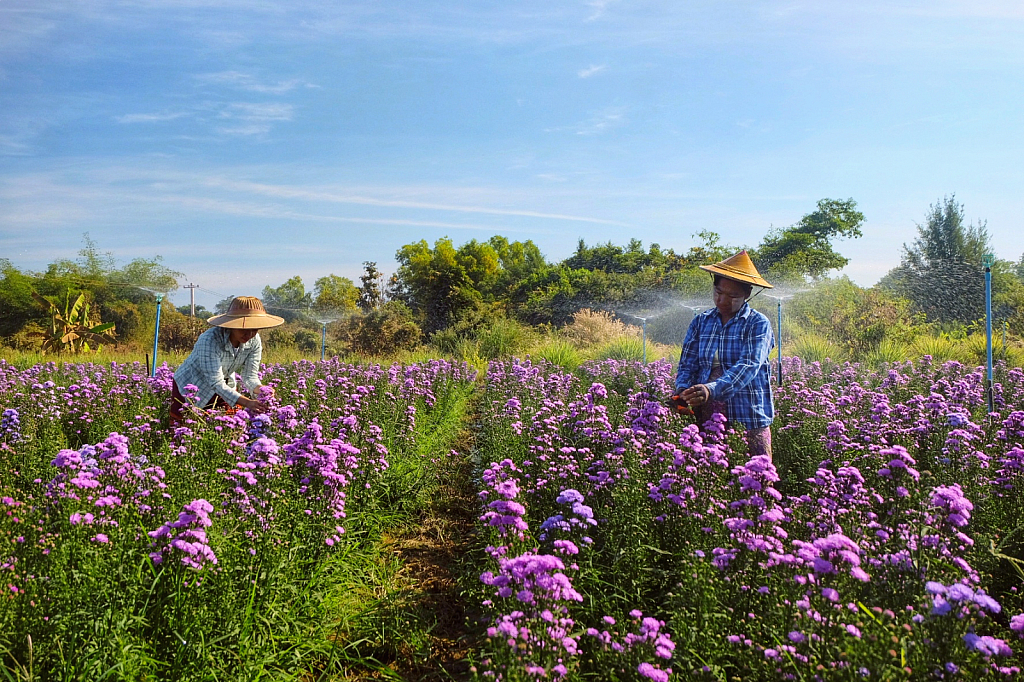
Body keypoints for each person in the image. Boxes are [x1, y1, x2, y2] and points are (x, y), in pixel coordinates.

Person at [674, 250, 776, 459]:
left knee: (757, 478)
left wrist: (711, 390)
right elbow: (688, 364)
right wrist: (682, 392)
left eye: (732, 296)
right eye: (718, 292)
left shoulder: (758, 323)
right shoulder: (701, 322)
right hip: (708, 415)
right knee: (712, 476)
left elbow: (749, 365)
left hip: (748, 415)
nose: (722, 300)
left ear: (747, 294)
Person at [169, 296, 284, 425]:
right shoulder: (210, 339)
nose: (249, 334)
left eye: (254, 329)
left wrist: (262, 389)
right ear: (231, 325)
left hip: (224, 387)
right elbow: (216, 382)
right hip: (191, 387)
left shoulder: (254, 340)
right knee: (185, 429)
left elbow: (250, 376)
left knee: (228, 427)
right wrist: (248, 402)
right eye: (244, 329)